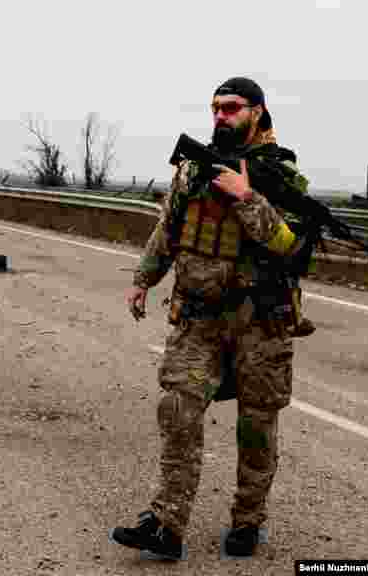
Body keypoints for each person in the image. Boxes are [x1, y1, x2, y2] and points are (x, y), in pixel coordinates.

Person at [111, 77, 312, 560]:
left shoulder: (281, 176)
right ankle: (166, 524)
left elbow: (290, 246)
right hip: (198, 317)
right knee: (178, 412)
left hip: (260, 321)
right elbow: (169, 228)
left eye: (233, 108)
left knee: (256, 426)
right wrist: (144, 278)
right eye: (216, 108)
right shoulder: (193, 167)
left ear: (258, 113)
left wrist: (247, 197)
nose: (221, 116)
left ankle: (248, 521)